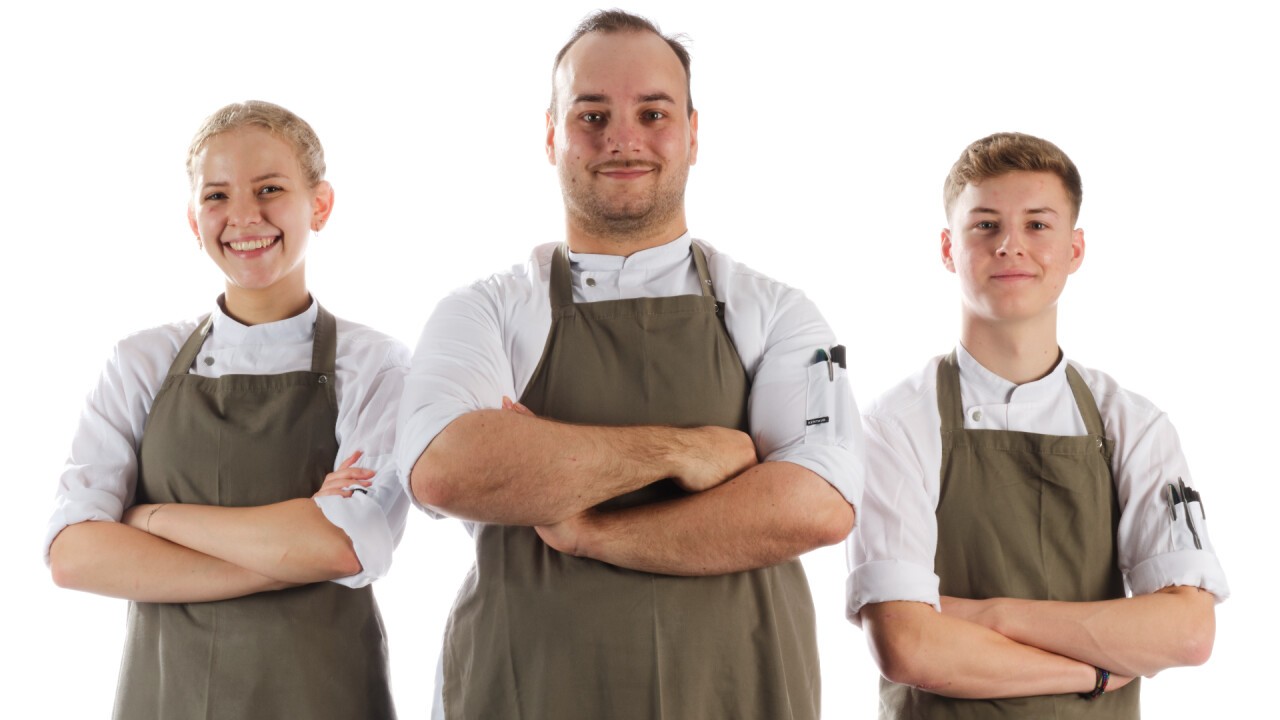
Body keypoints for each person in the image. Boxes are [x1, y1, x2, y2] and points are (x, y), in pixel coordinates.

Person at [396, 10, 862, 720]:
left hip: (735, 693)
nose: (622, 138)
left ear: (694, 134)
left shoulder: (777, 313)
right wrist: (688, 451)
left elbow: (818, 503)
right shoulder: (483, 311)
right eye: (591, 115)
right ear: (551, 135)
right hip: (526, 691)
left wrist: (590, 530)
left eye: (653, 112)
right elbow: (447, 468)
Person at [846, 132, 1229, 718]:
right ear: (948, 248)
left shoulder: (1134, 425)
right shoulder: (894, 426)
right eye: (985, 225)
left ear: (1075, 250)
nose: (1010, 246)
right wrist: (1096, 672)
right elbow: (908, 645)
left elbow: (1186, 632)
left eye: (1037, 225)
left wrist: (990, 615)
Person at [46, 101, 408, 719]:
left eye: (270, 188)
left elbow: (348, 548)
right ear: (194, 219)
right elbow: (74, 555)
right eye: (217, 196)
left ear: (319, 205)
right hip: (167, 699)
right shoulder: (141, 361)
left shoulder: (375, 365)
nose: (244, 216)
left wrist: (150, 518)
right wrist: (291, 548)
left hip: (321, 697)